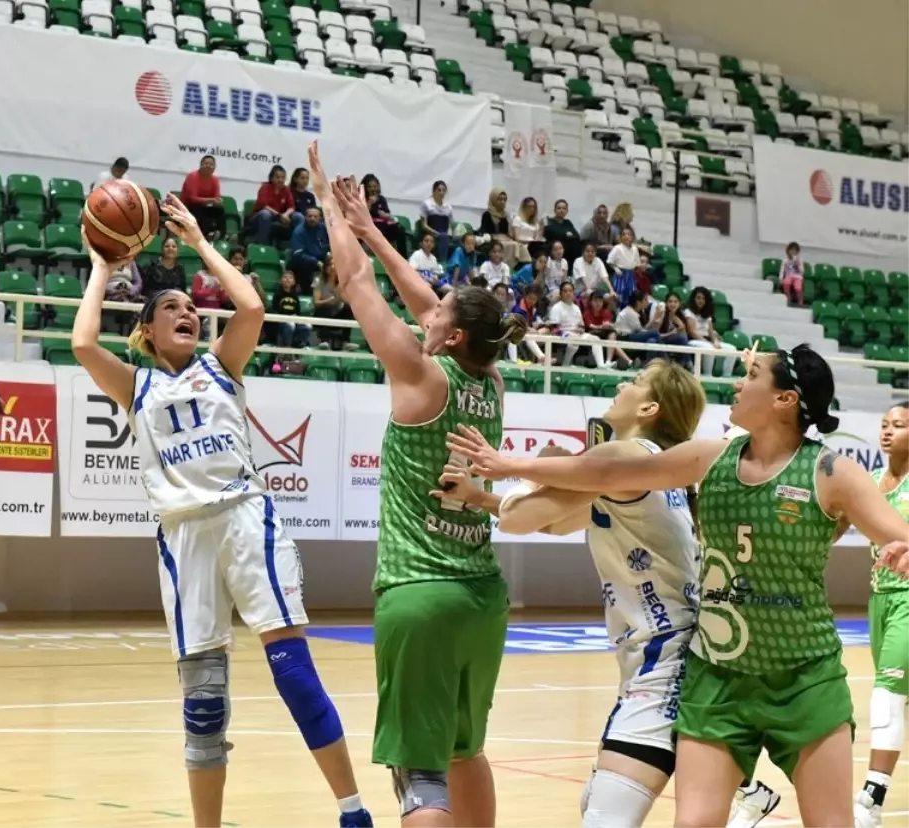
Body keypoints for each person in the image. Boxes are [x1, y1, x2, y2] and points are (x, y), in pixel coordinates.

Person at [443, 344, 909, 828]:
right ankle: (750, 791)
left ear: (784, 400)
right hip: (719, 674)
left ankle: (756, 790)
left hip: (803, 676)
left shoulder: (830, 471)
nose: (736, 382)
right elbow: (609, 472)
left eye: (750, 375)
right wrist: (507, 471)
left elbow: (903, 536)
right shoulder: (714, 456)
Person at [71, 193, 373, 828]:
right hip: (183, 538)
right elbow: (81, 343)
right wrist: (102, 263)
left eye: (190, 308)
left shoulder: (220, 365)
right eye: (170, 309)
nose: (186, 313)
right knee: (203, 703)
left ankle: (352, 810)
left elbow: (254, 306)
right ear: (146, 331)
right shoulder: (137, 384)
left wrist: (201, 242)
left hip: (244, 518)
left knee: (292, 669)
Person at [431, 360, 781, 828]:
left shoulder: (630, 455)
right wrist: (484, 497)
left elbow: (522, 518)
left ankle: (748, 788)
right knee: (598, 803)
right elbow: (556, 520)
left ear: (651, 407)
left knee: (604, 817)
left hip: (666, 657)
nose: (620, 383)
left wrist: (515, 472)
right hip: (659, 653)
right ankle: (749, 788)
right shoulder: (641, 468)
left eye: (635, 382)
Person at [310, 143, 527, 828]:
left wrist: (328, 207)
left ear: (451, 337)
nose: (424, 315)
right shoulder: (487, 379)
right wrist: (373, 226)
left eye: (436, 319)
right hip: (482, 598)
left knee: (422, 775)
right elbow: (430, 302)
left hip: (420, 593)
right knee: (467, 753)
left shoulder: (420, 375)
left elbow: (356, 283)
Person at [856, 404, 909, 828]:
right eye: (885, 425)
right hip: (880, 600)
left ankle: (871, 799)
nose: (889, 432)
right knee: (899, 695)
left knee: (886, 695)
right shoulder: (871, 484)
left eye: (900, 425)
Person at [546, 280, 604, 368]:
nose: (568, 293)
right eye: (565, 291)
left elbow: (581, 326)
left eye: (570, 291)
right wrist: (571, 330)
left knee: (596, 339)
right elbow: (554, 329)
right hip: (563, 334)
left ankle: (601, 366)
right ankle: (566, 365)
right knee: (574, 339)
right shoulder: (556, 308)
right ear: (561, 294)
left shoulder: (576, 308)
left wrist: (581, 330)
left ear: (573, 293)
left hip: (577, 334)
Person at [683, 287, 738, 378]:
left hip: (706, 340)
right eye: (698, 298)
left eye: (703, 298)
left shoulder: (707, 314)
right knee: (709, 348)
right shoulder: (688, 312)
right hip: (693, 340)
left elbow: (711, 331)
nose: (701, 301)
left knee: (732, 349)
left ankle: (726, 376)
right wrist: (707, 342)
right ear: (694, 299)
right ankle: (708, 376)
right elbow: (692, 332)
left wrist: (715, 341)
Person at [247, 164, 295, 246]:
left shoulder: (286, 190)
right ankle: (263, 246)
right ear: (272, 178)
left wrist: (286, 214)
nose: (280, 180)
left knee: (298, 217)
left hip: (277, 218)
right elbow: (264, 206)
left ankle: (295, 248)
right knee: (266, 214)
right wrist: (280, 216)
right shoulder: (265, 187)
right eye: (277, 177)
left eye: (283, 177)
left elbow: (291, 206)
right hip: (258, 218)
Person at [180, 155, 225, 239]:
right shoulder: (192, 177)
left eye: (211, 164)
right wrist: (212, 200)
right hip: (188, 206)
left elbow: (216, 197)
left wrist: (218, 201)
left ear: (214, 168)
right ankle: (206, 234)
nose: (208, 166)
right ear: (200, 165)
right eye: (206, 163)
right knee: (198, 208)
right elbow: (193, 199)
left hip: (205, 206)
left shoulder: (215, 180)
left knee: (220, 209)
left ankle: (221, 235)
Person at [781, 242, 805, 307]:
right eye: (791, 250)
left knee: (798, 288)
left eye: (795, 250)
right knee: (786, 283)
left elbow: (802, 271)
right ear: (788, 251)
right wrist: (780, 278)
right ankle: (788, 298)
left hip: (797, 277)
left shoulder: (799, 260)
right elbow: (782, 270)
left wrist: (797, 264)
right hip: (788, 276)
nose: (793, 252)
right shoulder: (785, 260)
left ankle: (800, 300)